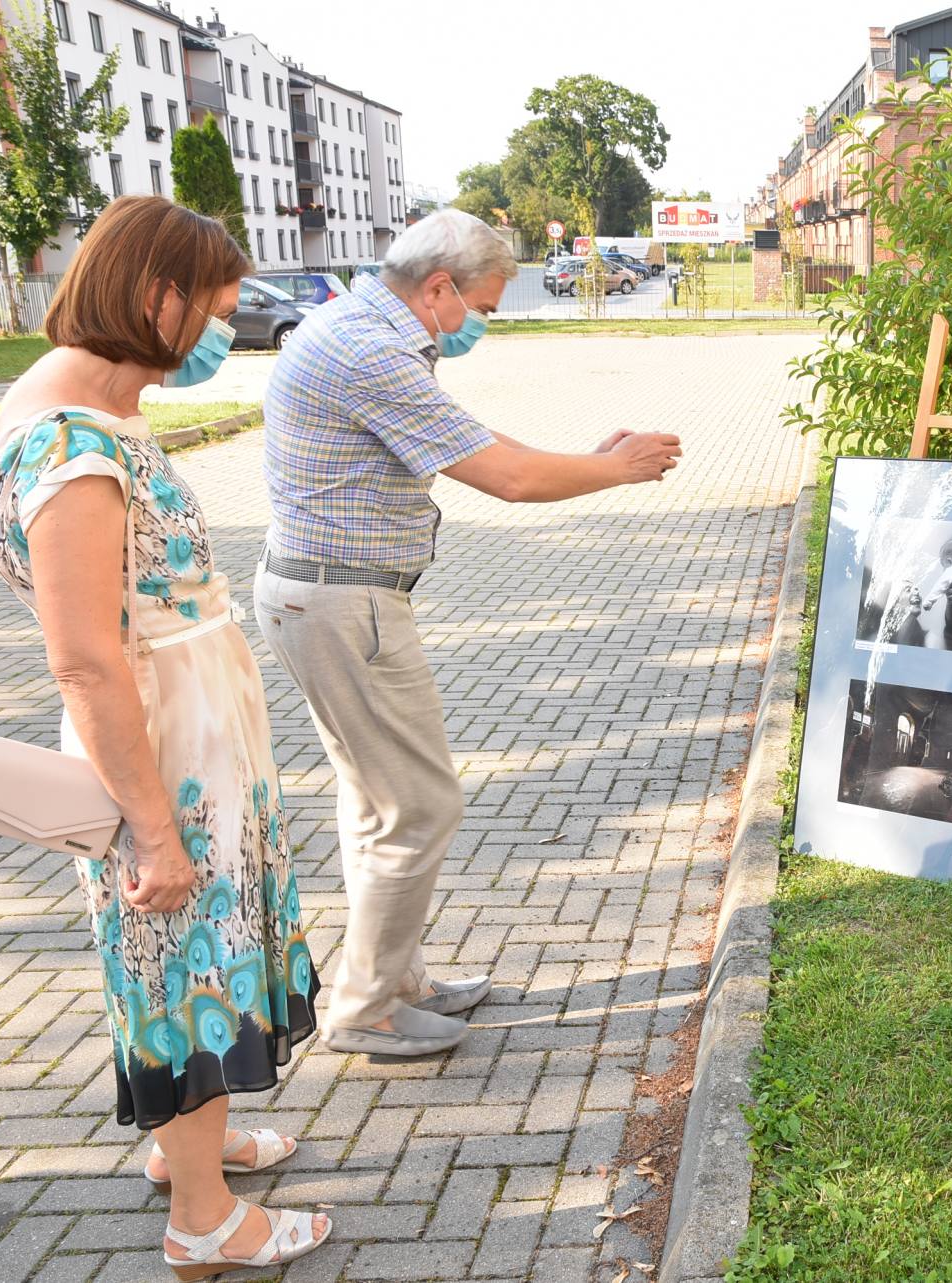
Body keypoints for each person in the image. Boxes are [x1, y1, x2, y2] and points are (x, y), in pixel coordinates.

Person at [0, 197, 330, 1276]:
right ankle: (204, 1217)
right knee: (188, 967)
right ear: (156, 296)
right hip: (165, 762)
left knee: (200, 966)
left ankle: (197, 1149)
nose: (214, 338)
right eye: (214, 315)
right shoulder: (70, 444)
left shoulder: (99, 408)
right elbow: (87, 656)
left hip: (197, 744)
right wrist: (154, 830)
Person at [256, 210, 681, 1057]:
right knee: (419, 805)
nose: (479, 321)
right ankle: (367, 1007)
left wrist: (587, 457)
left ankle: (395, 975)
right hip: (345, 608)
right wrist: (616, 469)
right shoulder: (372, 351)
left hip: (330, 600)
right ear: (439, 286)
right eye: (480, 304)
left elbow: (480, 446)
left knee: (381, 802)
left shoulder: (358, 326)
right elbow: (510, 479)